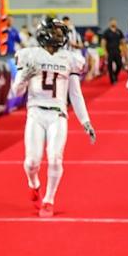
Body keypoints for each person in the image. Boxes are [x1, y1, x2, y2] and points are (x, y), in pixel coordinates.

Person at [12, 17, 96, 218]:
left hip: (58, 114)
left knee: (55, 158)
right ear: (46, 32)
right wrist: (24, 77)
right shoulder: (29, 55)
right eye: (57, 32)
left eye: (61, 32)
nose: (60, 36)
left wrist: (86, 121)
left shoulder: (69, 58)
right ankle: (34, 183)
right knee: (32, 162)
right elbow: (16, 92)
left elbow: (75, 93)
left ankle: (49, 199)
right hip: (35, 112)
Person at [101, 18, 126, 84]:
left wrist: (123, 51)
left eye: (115, 21)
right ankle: (112, 79)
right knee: (110, 65)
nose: (114, 23)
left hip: (117, 51)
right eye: (112, 22)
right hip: (109, 51)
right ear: (110, 23)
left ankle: (115, 74)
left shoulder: (119, 31)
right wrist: (105, 51)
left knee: (119, 64)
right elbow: (103, 42)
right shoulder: (106, 32)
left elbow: (123, 42)